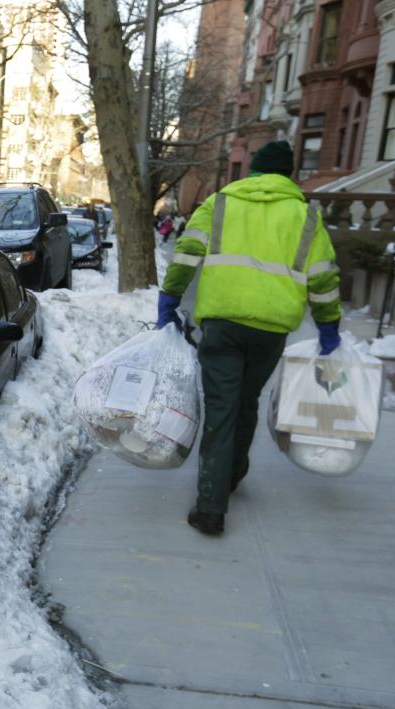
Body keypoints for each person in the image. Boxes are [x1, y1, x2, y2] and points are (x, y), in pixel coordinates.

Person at [156, 139, 341, 536]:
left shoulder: (220, 203)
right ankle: (233, 472)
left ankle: (210, 506)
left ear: (253, 171)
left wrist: (168, 299)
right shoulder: (306, 216)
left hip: (222, 323)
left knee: (221, 407)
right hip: (271, 330)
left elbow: (187, 253)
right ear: (289, 174)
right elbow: (324, 277)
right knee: (246, 400)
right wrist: (328, 327)